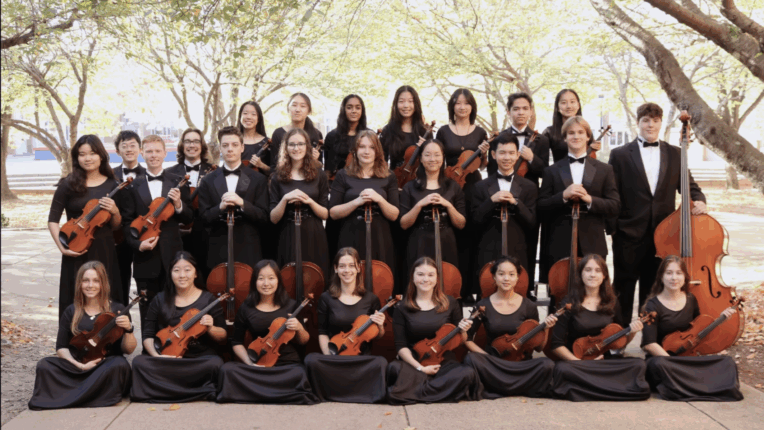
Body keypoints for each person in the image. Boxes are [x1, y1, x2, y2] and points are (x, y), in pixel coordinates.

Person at [608, 102, 706, 324]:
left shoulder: (675, 153)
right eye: (645, 120)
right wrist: (615, 229)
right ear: (638, 123)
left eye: (654, 120)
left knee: (653, 288)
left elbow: (690, 187)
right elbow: (611, 193)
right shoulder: (620, 155)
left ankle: (649, 338)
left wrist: (699, 201)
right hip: (628, 233)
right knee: (623, 286)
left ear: (661, 123)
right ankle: (617, 340)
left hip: (664, 235)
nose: (650, 125)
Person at [28, 261, 134, 410]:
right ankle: (94, 395)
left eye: (96, 280)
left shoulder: (117, 309)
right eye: (86, 280)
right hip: (78, 367)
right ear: (80, 283)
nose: (90, 285)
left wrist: (129, 329)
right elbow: (61, 347)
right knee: (44, 365)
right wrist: (81, 366)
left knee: (119, 365)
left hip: (105, 366)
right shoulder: (71, 311)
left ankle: (71, 395)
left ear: (103, 283)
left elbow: (128, 350)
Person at [549, 254, 650, 402]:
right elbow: (556, 345)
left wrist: (633, 332)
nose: (592, 274)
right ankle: (611, 388)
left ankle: (587, 389)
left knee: (638, 364)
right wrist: (578, 362)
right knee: (562, 369)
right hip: (578, 362)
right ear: (581, 274)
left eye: (597, 270)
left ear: (604, 276)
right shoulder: (569, 302)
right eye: (588, 270)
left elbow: (619, 341)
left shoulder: (612, 302)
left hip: (605, 362)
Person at [641, 256, 743, 401]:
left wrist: (721, 319)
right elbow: (649, 344)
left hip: (687, 359)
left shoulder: (690, 299)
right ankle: (700, 385)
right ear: (661, 277)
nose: (674, 278)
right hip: (663, 360)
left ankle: (688, 384)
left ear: (685, 277)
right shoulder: (652, 305)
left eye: (678, 273)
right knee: (660, 365)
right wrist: (673, 363)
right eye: (669, 273)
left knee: (727, 362)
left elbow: (697, 332)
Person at [216, 260, 318, 404]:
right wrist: (250, 364)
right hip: (258, 363)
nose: (266, 283)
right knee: (227, 370)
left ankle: (257, 392)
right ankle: (276, 392)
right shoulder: (246, 307)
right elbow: (236, 341)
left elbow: (304, 340)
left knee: (299, 373)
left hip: (286, 365)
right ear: (254, 282)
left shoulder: (291, 305)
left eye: (271, 278)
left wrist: (300, 328)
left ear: (278, 281)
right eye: (261, 278)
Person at [130, 252, 226, 403]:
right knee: (138, 362)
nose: (182, 275)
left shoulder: (209, 299)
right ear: (170, 274)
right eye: (176, 270)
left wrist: (211, 328)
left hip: (197, 360)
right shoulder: (160, 299)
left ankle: (164, 390)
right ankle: (197, 391)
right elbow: (148, 334)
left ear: (195, 273)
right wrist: (157, 357)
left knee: (216, 364)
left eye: (187, 269)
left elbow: (223, 336)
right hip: (166, 359)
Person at [49, 135, 125, 318]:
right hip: (75, 249)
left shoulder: (113, 185)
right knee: (75, 297)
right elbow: (53, 220)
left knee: (106, 296)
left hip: (104, 250)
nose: (88, 158)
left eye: (92, 153)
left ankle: (108, 341)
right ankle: (72, 341)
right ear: (77, 158)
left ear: (101, 156)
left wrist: (115, 211)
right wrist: (62, 248)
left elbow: (116, 227)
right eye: (82, 154)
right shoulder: (68, 184)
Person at [538, 116, 620, 285]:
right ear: (565, 138)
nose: (576, 136)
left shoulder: (605, 170)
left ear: (588, 136)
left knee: (594, 296)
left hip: (593, 242)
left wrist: (589, 199)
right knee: (559, 297)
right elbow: (541, 206)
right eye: (571, 133)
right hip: (559, 243)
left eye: (581, 132)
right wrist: (562, 196)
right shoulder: (551, 171)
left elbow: (614, 206)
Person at [120, 135, 192, 327]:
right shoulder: (133, 186)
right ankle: (148, 352)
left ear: (165, 153)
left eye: (157, 151)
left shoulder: (178, 182)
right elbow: (126, 224)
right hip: (145, 260)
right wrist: (138, 245)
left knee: (174, 308)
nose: (153, 155)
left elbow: (189, 218)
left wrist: (178, 205)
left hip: (173, 257)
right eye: (149, 151)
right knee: (147, 310)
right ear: (142, 153)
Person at [386, 257, 479, 404]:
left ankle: (412, 392)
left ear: (436, 279)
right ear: (413, 277)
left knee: (467, 374)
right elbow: (401, 346)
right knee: (393, 369)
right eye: (421, 274)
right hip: (415, 362)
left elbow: (461, 340)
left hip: (443, 362)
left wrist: (464, 330)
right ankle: (437, 391)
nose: (425, 279)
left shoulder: (451, 303)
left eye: (430, 275)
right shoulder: (402, 308)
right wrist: (421, 368)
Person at [304, 248, 389, 403]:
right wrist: (329, 356)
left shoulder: (371, 299)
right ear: (336, 269)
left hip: (360, 360)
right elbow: (322, 332)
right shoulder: (326, 298)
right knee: (311, 360)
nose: (347, 270)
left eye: (351, 265)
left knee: (381, 363)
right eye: (342, 266)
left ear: (358, 268)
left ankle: (338, 389)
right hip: (335, 357)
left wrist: (381, 326)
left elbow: (377, 336)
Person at [464, 256, 556, 398]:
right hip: (494, 364)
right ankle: (520, 387)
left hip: (521, 365)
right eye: (501, 274)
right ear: (494, 277)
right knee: (471, 360)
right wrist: (487, 357)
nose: (506, 278)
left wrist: (546, 329)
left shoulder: (529, 306)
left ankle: (499, 387)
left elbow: (538, 348)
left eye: (511, 274)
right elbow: (467, 338)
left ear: (518, 277)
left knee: (547, 364)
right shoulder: (483, 305)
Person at [435, 88, 490, 301]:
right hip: (448, 183)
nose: (462, 106)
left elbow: (483, 165)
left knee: (472, 235)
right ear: (452, 106)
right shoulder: (442, 131)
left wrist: (484, 154)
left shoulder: (480, 132)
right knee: (452, 236)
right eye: (457, 103)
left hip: (472, 185)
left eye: (466, 103)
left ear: (472, 106)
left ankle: (470, 289)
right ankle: (453, 287)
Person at [490, 93, 550, 286]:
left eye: (525, 108)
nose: (520, 112)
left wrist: (532, 158)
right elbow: (492, 169)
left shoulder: (541, 140)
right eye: (516, 109)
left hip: (528, 195)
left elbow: (545, 172)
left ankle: (527, 285)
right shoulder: (499, 138)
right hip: (502, 190)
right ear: (508, 112)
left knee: (530, 241)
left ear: (531, 111)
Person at [329, 130, 400, 292]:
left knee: (380, 281)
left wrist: (380, 199)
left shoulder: (388, 176)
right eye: (362, 147)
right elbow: (333, 212)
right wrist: (357, 201)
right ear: (355, 150)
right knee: (350, 281)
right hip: (350, 234)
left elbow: (394, 214)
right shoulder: (343, 175)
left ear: (378, 151)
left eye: (371, 147)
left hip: (380, 236)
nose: (366, 151)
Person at [471, 135, 536, 298]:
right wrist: (491, 201)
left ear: (517, 155)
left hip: (517, 251)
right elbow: (474, 221)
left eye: (511, 153)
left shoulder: (529, 187)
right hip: (487, 252)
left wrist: (516, 203)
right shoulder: (480, 187)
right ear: (493, 155)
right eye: (502, 153)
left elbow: (533, 223)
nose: (507, 157)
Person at [197, 126, 269, 272]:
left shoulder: (258, 179)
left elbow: (264, 217)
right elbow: (203, 219)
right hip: (218, 249)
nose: (230, 149)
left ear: (242, 147)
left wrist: (243, 203)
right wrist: (220, 207)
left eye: (235, 145)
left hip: (249, 248)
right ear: (220, 148)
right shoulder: (207, 180)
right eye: (225, 145)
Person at [399, 139, 466, 278]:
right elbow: (404, 224)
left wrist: (447, 205)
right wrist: (419, 205)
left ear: (443, 158)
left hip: (446, 241)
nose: (432, 159)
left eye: (437, 155)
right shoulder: (410, 187)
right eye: (428, 155)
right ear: (421, 159)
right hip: (418, 242)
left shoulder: (453, 186)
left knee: (446, 282)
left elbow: (461, 224)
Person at [269, 128, 331, 278]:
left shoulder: (319, 175)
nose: (296, 148)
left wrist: (309, 201)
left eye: (300, 144)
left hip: (313, 234)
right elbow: (273, 218)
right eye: (292, 144)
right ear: (286, 147)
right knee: (287, 279)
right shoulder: (277, 177)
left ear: (307, 147)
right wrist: (284, 199)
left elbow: (325, 214)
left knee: (315, 279)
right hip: (286, 233)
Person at [166, 128, 215, 278]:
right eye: (187, 141)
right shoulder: (169, 173)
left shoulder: (214, 172)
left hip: (206, 237)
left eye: (196, 141)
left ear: (202, 145)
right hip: (178, 237)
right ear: (182, 145)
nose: (191, 145)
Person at [112, 130, 146, 305]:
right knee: (118, 284)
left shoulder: (149, 175)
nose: (129, 149)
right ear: (117, 151)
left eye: (133, 145)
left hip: (142, 235)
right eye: (124, 146)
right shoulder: (109, 176)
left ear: (140, 149)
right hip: (117, 237)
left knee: (145, 284)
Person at [542, 89, 602, 163]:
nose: (568, 106)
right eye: (564, 103)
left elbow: (592, 159)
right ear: (557, 107)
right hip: (558, 174)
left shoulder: (586, 129)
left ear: (578, 105)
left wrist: (594, 148)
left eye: (572, 102)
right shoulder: (549, 132)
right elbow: (542, 162)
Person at [269, 93, 323, 171]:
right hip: (284, 178)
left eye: (303, 106)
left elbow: (320, 166)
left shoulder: (316, 134)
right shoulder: (278, 133)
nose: (297, 110)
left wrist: (315, 160)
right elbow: (273, 165)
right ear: (288, 108)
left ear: (309, 111)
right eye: (294, 105)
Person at [380, 85, 427, 170]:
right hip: (394, 179)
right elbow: (382, 161)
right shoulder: (388, 130)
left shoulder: (424, 131)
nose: (406, 105)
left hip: (419, 180)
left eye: (410, 101)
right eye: (401, 101)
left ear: (416, 104)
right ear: (396, 104)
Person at [324, 94, 368, 178]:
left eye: (358, 108)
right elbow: (328, 169)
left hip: (363, 180)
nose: (354, 111)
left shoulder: (369, 135)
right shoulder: (332, 136)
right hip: (338, 181)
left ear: (362, 111)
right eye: (349, 107)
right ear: (343, 110)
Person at [238, 100, 271, 174]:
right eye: (245, 113)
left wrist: (261, 165)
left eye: (253, 114)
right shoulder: (234, 141)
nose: (249, 117)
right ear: (240, 116)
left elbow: (275, 172)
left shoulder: (267, 142)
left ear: (258, 118)